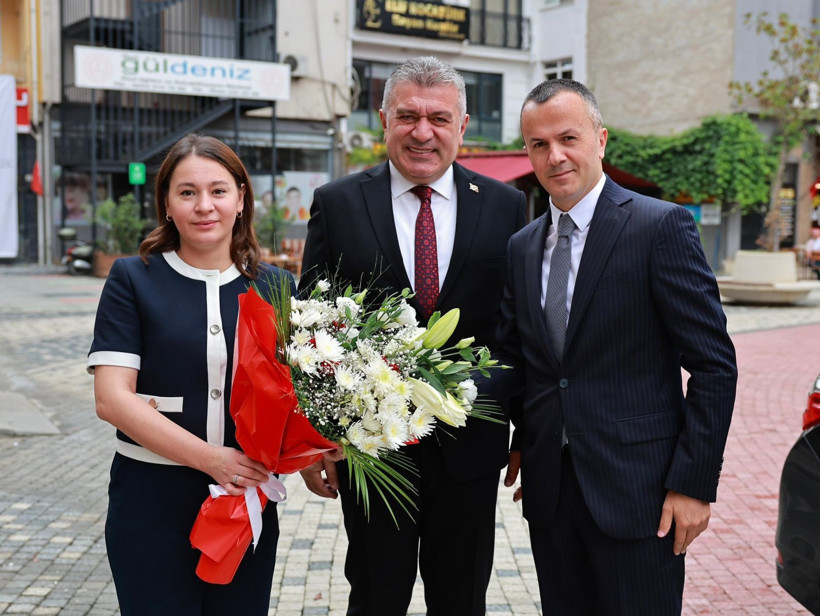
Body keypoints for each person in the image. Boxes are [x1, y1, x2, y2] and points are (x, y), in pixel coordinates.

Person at [497, 79, 738, 615]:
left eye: (569, 138)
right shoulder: (522, 247)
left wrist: (694, 484)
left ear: (600, 140)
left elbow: (714, 365)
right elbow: (524, 362)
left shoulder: (659, 226)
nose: (555, 156)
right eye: (539, 144)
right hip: (552, 495)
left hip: (642, 495)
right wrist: (522, 438)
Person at [298, 56, 527, 616]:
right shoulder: (337, 203)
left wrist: (525, 430)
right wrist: (309, 438)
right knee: (376, 598)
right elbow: (309, 328)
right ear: (384, 120)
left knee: (461, 601)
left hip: (470, 449)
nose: (423, 132)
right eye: (408, 116)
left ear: (462, 126)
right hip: (374, 453)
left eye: (439, 118)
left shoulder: (506, 205)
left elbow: (517, 332)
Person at [88, 134, 295, 615]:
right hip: (151, 499)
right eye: (187, 192)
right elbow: (111, 399)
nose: (204, 206)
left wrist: (313, 455)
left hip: (245, 500)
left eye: (218, 191)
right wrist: (210, 459)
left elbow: (294, 393)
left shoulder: (277, 286)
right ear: (166, 203)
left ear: (240, 199)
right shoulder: (132, 279)